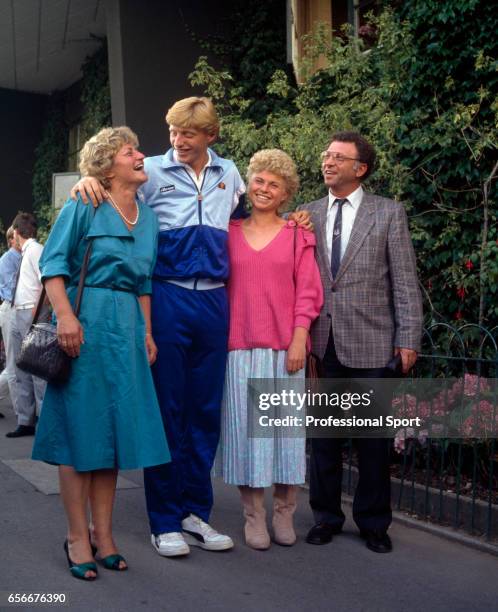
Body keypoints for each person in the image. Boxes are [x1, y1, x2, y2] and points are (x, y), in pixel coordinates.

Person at [71, 97, 311, 557]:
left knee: (204, 412)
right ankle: (164, 520)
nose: (178, 142)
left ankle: (195, 512)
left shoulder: (230, 174)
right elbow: (114, 192)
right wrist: (88, 179)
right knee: (168, 411)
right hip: (167, 296)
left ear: (210, 137)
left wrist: (296, 218)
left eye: (188, 134)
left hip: (214, 302)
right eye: (173, 131)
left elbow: (252, 219)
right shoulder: (152, 172)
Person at [32, 126, 170, 580]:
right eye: (131, 151)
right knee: (79, 433)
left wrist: (147, 333)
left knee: (112, 435)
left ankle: (104, 535)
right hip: (84, 323)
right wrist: (67, 318)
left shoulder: (147, 217)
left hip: (127, 328)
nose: (140, 155)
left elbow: (144, 282)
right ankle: (76, 537)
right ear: (107, 165)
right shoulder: (84, 202)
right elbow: (53, 264)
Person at [298, 131, 423, 553]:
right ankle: (326, 517)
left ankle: (373, 523)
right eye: (326, 154)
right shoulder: (307, 214)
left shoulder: (388, 214)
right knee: (325, 443)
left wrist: (408, 337)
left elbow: (405, 281)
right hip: (323, 342)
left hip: (373, 344)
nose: (327, 162)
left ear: (360, 168)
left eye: (338, 157)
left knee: (372, 445)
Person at [217, 149, 323, 549]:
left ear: (286, 194)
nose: (264, 189)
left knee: (286, 436)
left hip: (285, 350)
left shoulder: (299, 235)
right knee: (248, 437)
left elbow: (309, 294)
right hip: (238, 348)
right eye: (259, 180)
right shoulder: (226, 232)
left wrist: (299, 338)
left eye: (273, 184)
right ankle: (253, 516)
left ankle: (284, 513)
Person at [6, 213, 46, 438]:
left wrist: (36, 312)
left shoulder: (36, 250)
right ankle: (26, 420)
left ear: (17, 233)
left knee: (36, 369)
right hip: (19, 310)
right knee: (21, 368)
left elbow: (46, 281)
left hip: (29, 312)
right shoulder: (29, 251)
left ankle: (41, 419)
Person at [0, 226, 22, 415]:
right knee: (13, 364)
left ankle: (23, 412)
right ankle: (21, 413)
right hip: (12, 307)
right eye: (17, 236)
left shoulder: (23, 256)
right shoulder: (8, 259)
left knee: (18, 362)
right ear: (11, 239)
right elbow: (9, 288)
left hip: (19, 308)